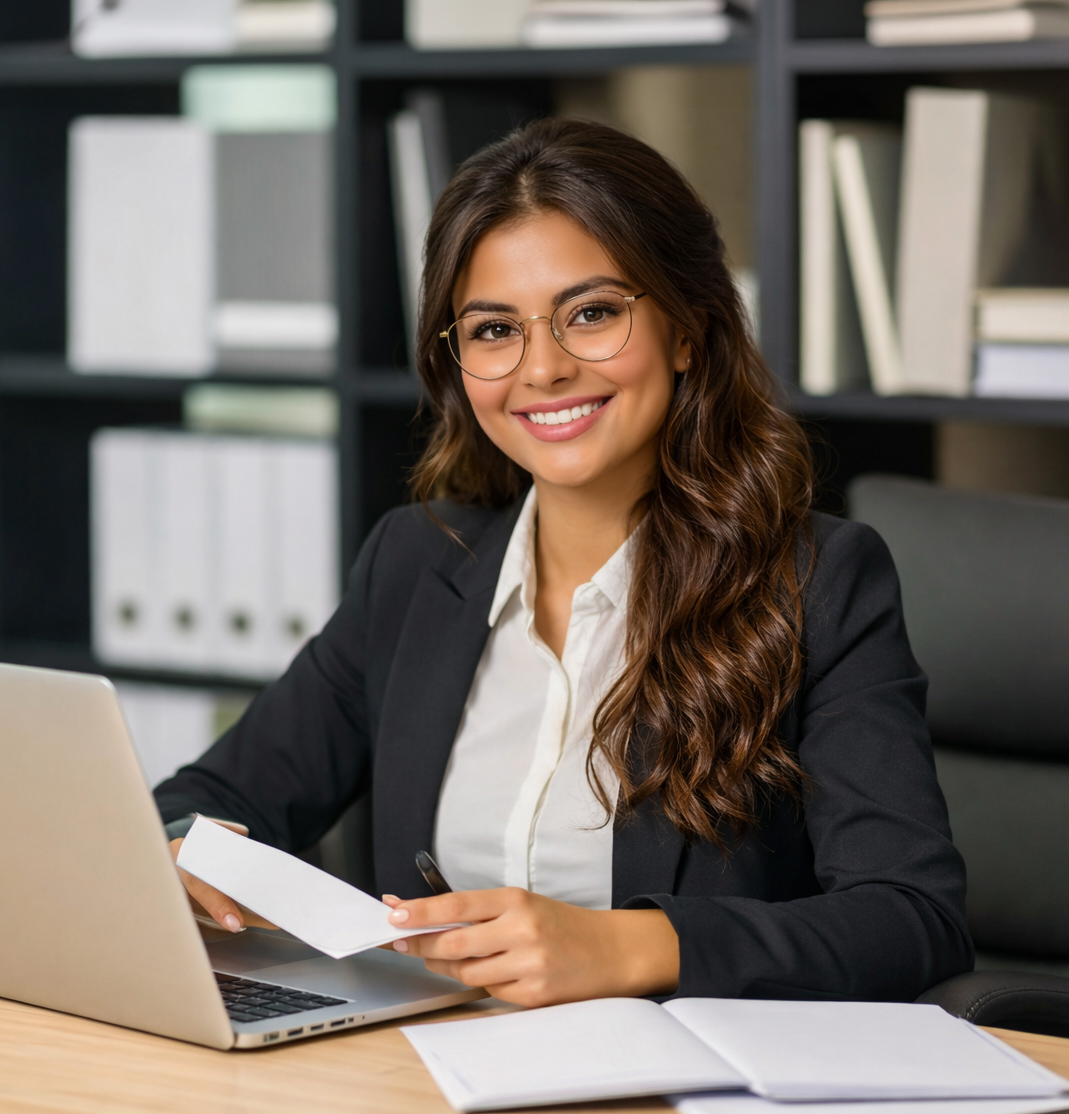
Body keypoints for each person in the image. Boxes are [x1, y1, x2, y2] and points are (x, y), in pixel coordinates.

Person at [156, 117, 972, 1007]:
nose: (541, 368)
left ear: (688, 330)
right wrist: (181, 849)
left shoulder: (816, 581)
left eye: (591, 314)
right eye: (493, 329)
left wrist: (629, 947)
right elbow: (211, 796)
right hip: (421, 1072)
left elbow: (909, 918)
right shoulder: (417, 562)